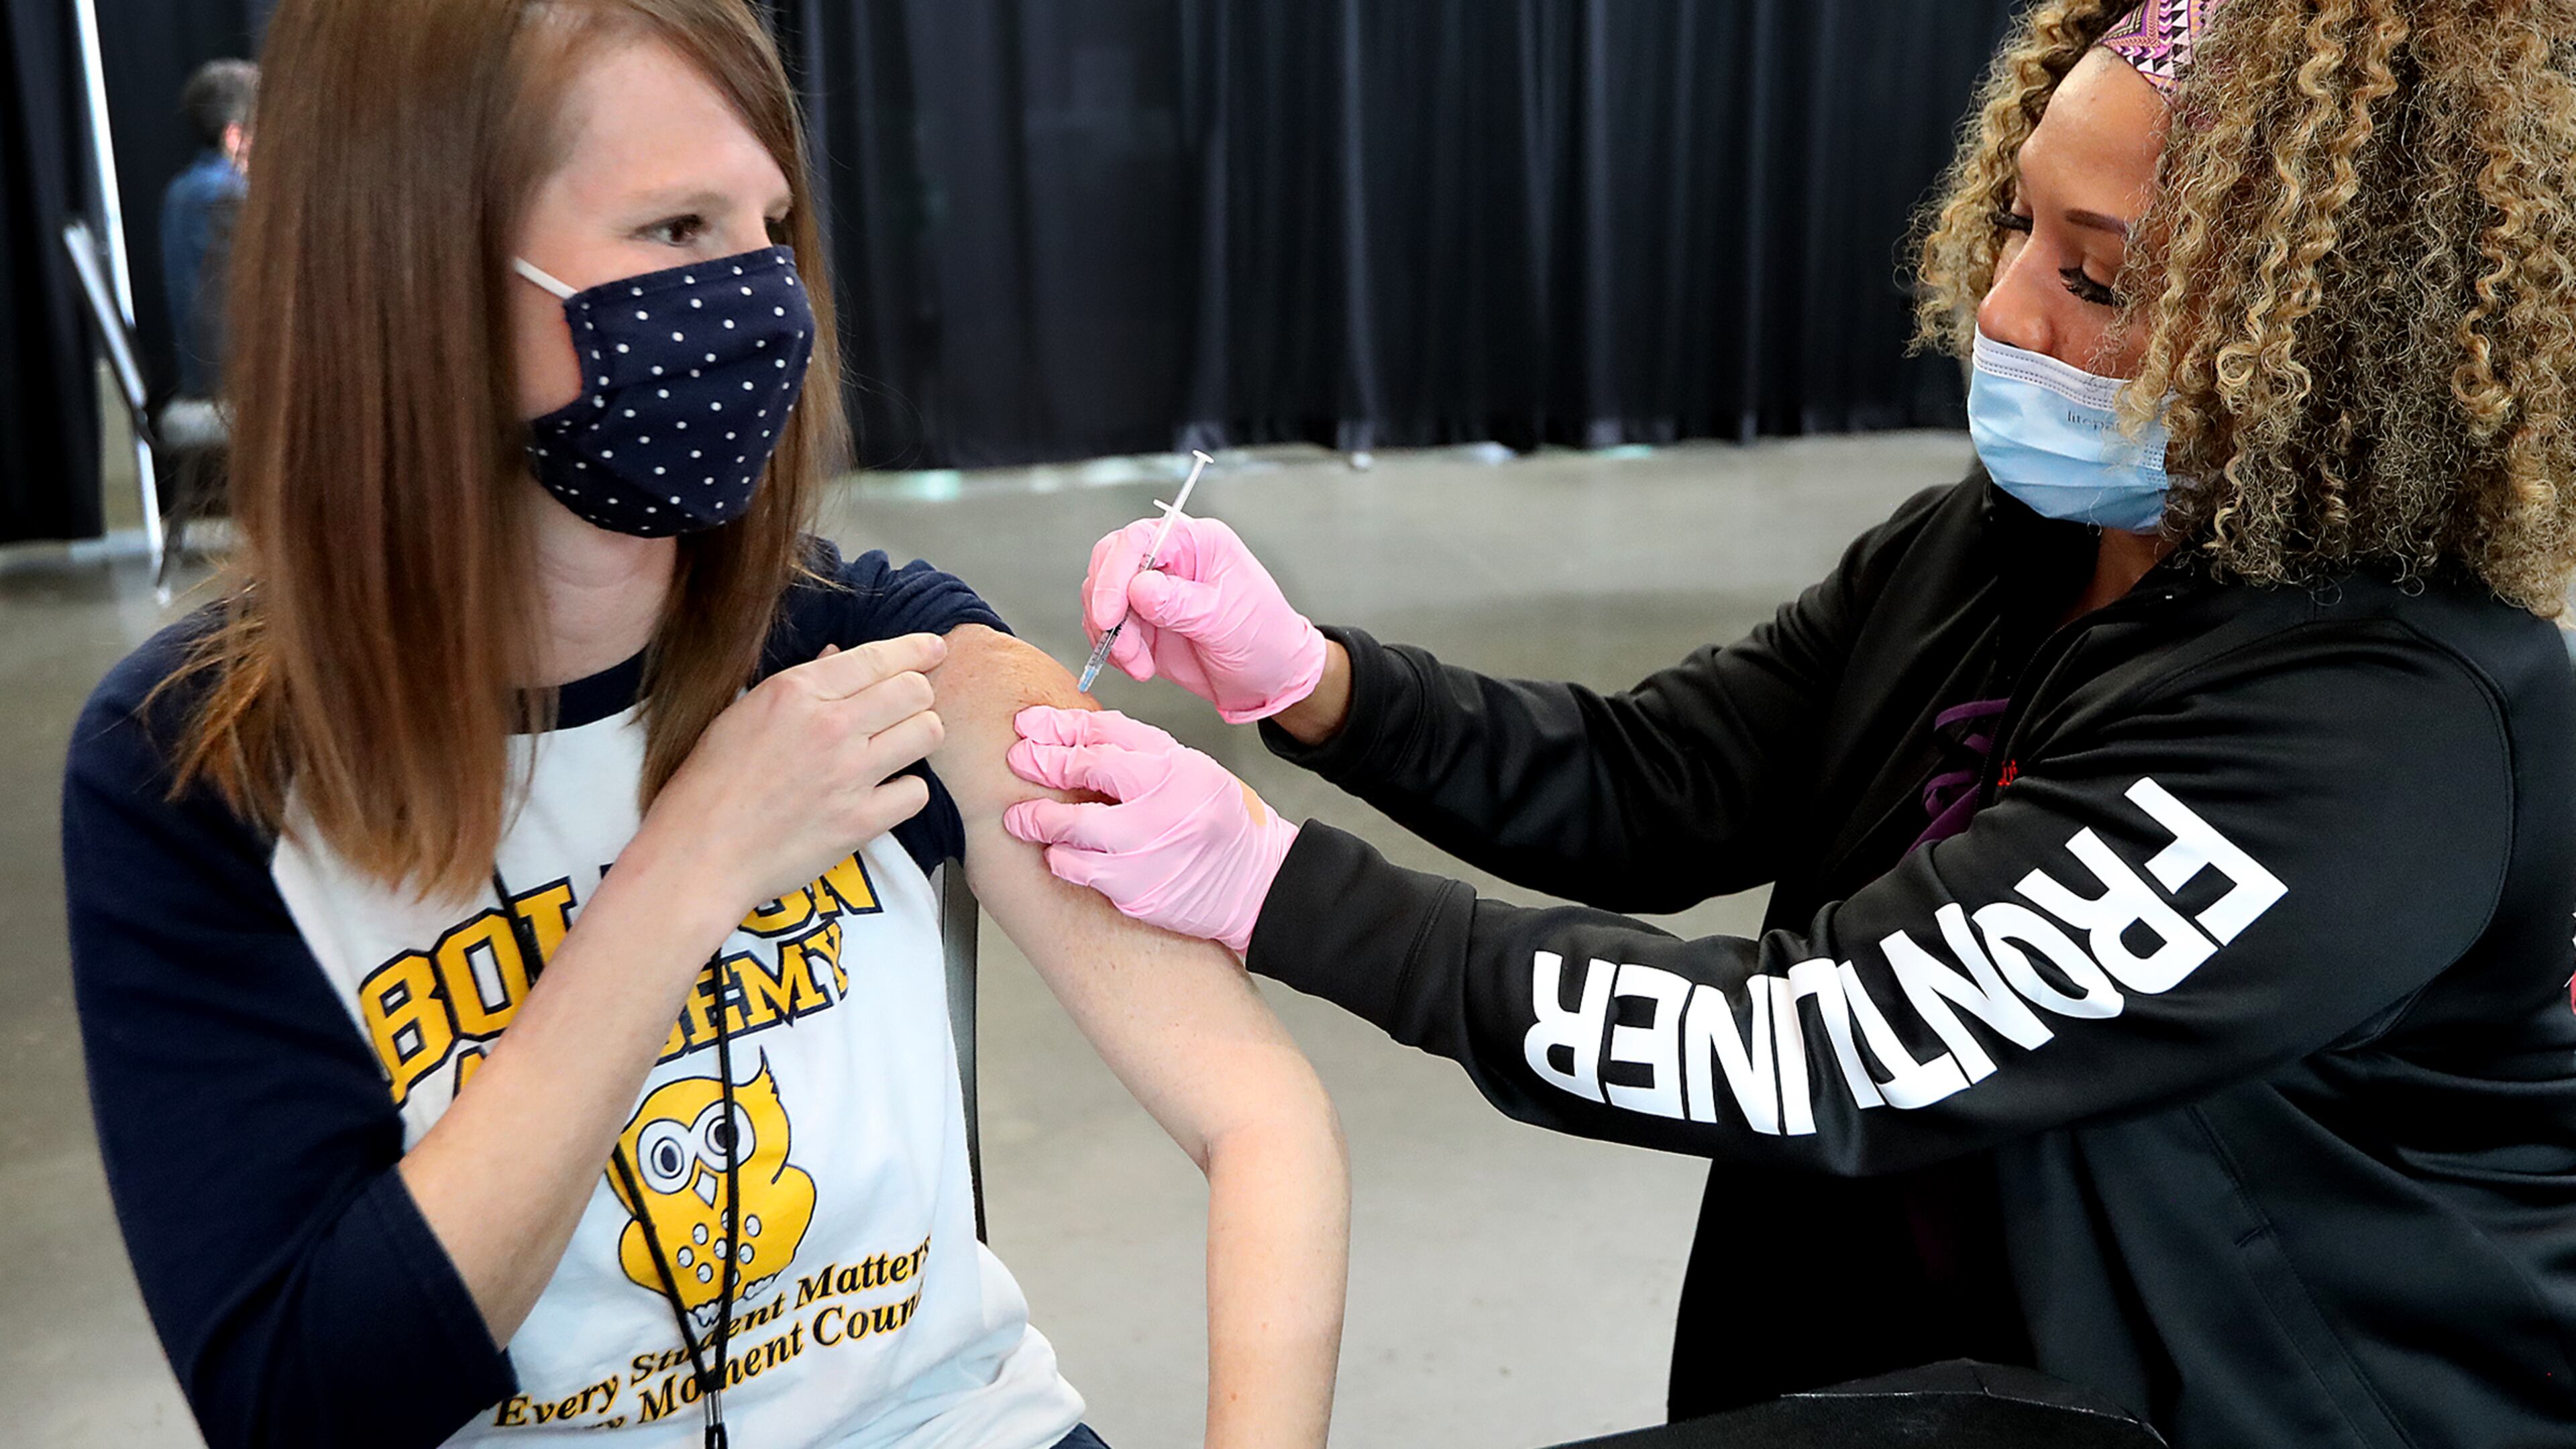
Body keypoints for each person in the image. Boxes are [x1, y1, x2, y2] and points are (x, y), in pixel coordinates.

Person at [1001, 2, 2576, 1445]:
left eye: (2094, 278)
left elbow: (1818, 1042)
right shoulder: (1999, 548)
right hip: (1927, 1367)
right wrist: (1306, 679)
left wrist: (1273, 886)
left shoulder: (2382, 733)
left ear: (2328, 344)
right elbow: (1660, 780)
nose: (2002, 305)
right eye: (2017, 222)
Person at [60, 3, 1346, 1448]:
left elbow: (1262, 1118)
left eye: (768, 228)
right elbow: (309, 1404)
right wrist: (688, 871)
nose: (758, 299)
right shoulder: (195, 766)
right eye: (675, 228)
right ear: (414, 266)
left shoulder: (873, 653)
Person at [159, 58, 256, 402]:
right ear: (235, 137)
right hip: (233, 394)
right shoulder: (231, 197)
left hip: (199, 384)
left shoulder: (179, 191)